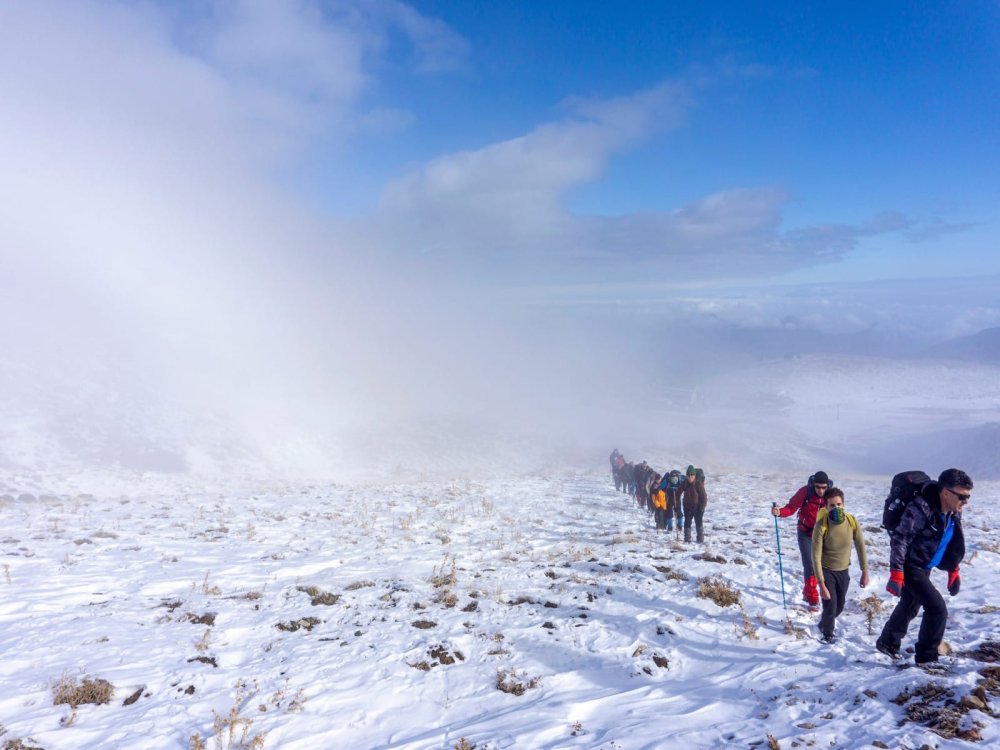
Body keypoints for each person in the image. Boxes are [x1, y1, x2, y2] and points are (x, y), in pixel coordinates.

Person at [876, 468, 972, 665]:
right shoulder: (921, 508)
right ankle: (927, 659)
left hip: (925, 563)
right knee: (937, 609)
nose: (965, 502)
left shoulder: (953, 512)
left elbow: (950, 541)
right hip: (910, 565)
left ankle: (887, 642)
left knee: (911, 604)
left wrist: (953, 569)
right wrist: (896, 573)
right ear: (946, 492)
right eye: (962, 496)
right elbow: (900, 539)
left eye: (968, 497)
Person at [810, 487, 869, 642]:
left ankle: (824, 622)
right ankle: (827, 634)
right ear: (826, 507)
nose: (836, 508)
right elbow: (815, 556)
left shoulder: (851, 521)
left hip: (844, 571)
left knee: (839, 606)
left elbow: (860, 545)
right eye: (832, 506)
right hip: (826, 570)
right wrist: (821, 585)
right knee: (831, 605)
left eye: (839, 504)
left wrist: (865, 571)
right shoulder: (821, 525)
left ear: (843, 504)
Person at [771, 471, 831, 607]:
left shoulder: (831, 495)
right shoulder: (805, 492)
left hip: (823, 535)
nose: (821, 491)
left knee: (821, 565)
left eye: (824, 488)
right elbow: (791, 508)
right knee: (810, 565)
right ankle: (812, 597)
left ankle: (808, 591)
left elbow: (838, 512)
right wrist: (779, 512)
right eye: (818, 487)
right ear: (813, 485)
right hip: (805, 533)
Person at [680, 465, 707, 543]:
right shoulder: (684, 483)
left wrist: (702, 507)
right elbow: (678, 493)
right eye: (688, 475)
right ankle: (687, 539)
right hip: (687, 507)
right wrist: (675, 503)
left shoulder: (699, 484)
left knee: (698, 522)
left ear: (695, 476)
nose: (690, 477)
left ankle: (700, 539)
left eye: (692, 475)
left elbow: (704, 497)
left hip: (698, 507)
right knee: (687, 523)